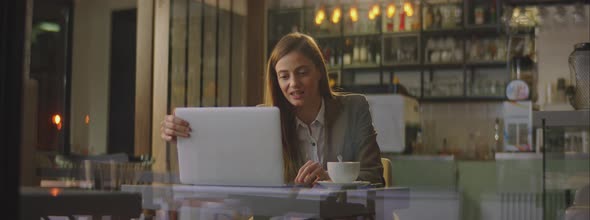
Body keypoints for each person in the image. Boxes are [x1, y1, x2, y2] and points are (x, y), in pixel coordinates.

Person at [161, 32, 384, 186]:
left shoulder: (354, 108)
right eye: (284, 76)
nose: (293, 84)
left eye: (302, 72)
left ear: (319, 71)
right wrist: (185, 135)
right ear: (276, 80)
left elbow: (374, 177)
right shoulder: (264, 120)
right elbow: (229, 161)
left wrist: (330, 180)